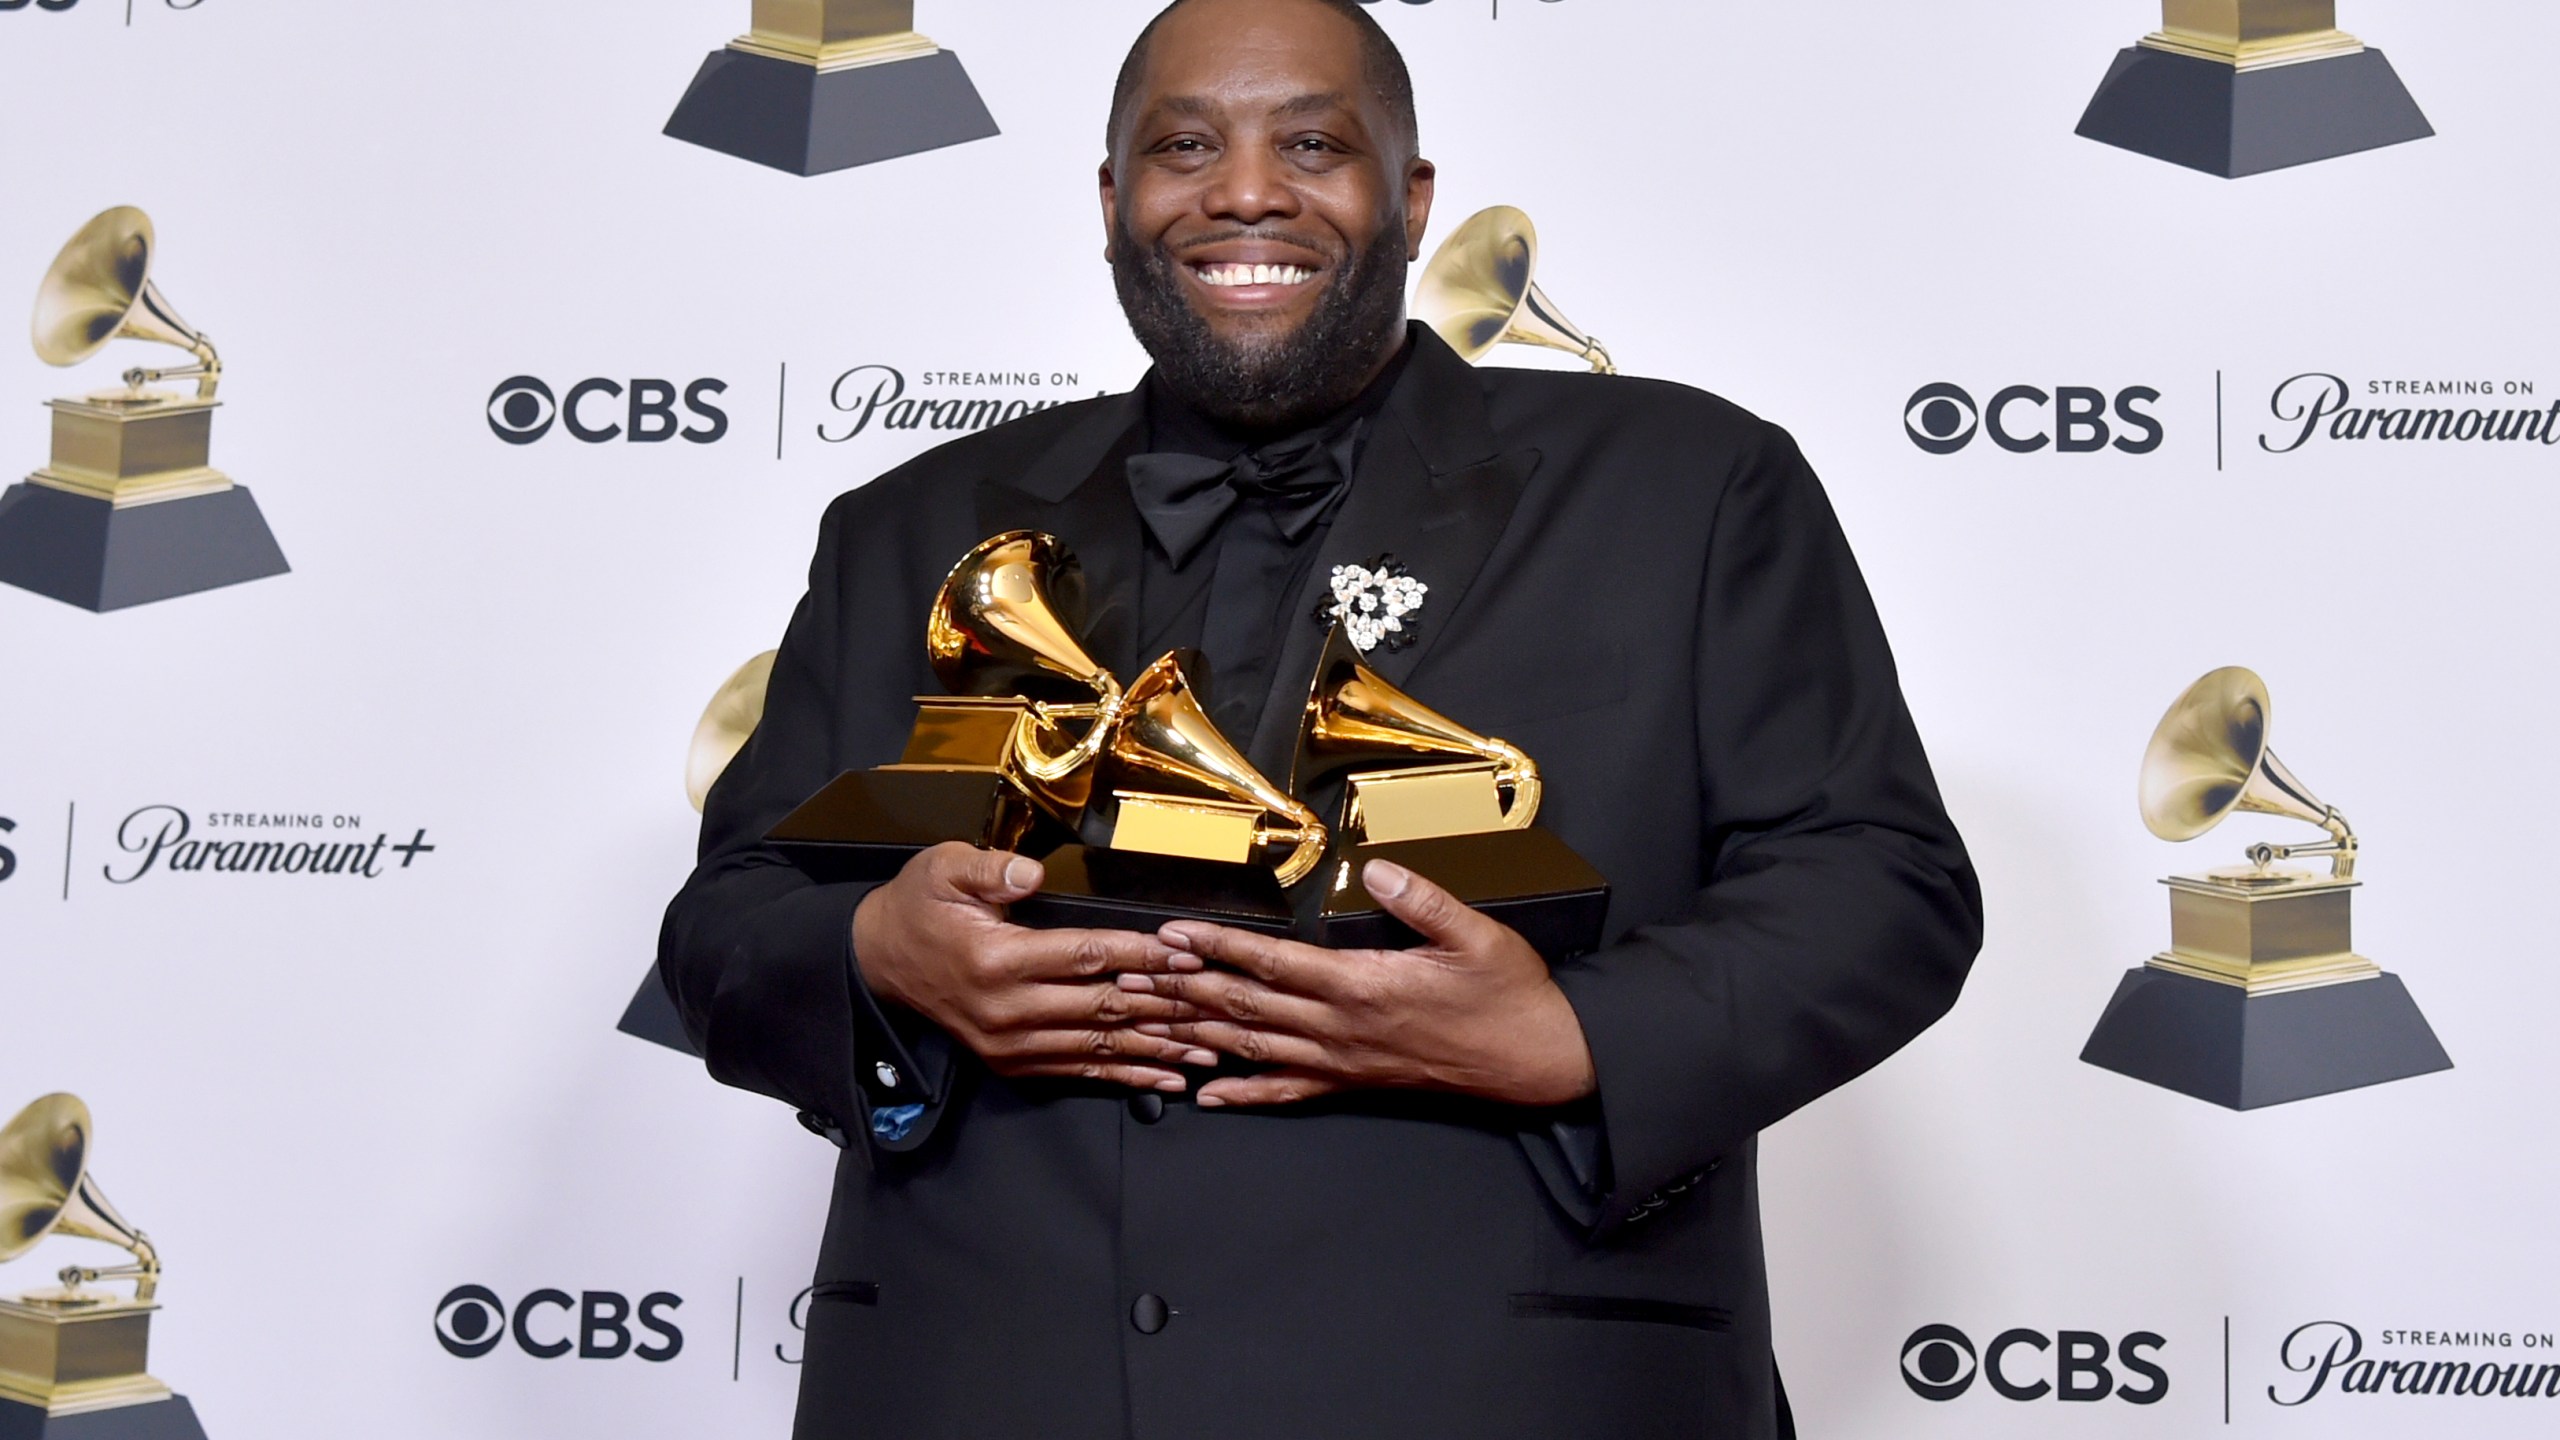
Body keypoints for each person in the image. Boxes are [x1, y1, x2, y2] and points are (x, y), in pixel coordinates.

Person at [659, 0, 1982, 1435]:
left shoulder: (1690, 486)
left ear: (1410, 199)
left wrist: (1575, 1037)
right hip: (985, 1384)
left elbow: (1880, 884)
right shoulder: (906, 527)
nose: (1242, 189)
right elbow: (730, 920)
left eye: (1311, 142)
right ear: (1112, 203)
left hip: (1511, 1390)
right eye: (1182, 144)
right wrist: (875, 953)